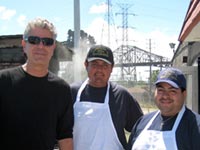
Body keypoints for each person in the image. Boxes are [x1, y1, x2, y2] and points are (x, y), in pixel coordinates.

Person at [0, 17, 73, 150]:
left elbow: (65, 137)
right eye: (34, 40)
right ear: (24, 45)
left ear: (53, 47)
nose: (41, 46)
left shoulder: (62, 89)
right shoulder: (3, 81)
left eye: (47, 42)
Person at [70, 44, 143, 150]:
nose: (99, 69)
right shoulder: (72, 92)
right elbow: (60, 132)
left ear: (112, 68)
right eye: (94, 64)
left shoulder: (121, 95)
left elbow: (141, 130)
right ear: (86, 65)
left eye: (105, 65)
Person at [127, 67, 200, 150]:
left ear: (184, 94)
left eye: (172, 91)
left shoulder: (195, 127)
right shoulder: (142, 123)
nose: (165, 96)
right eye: (161, 90)